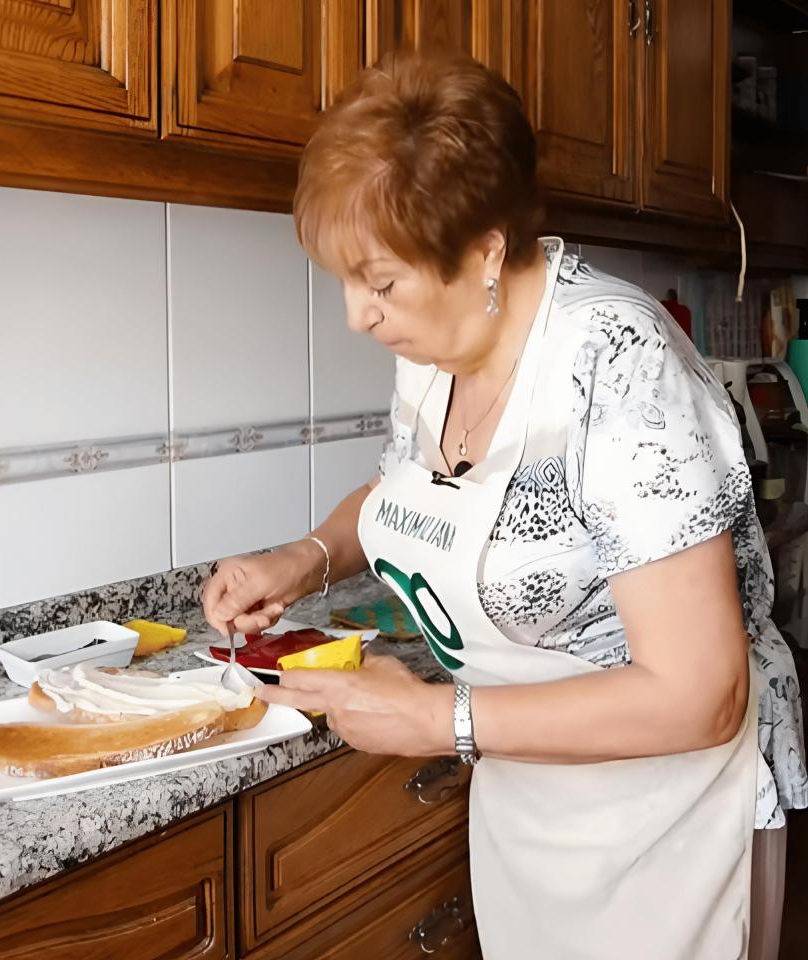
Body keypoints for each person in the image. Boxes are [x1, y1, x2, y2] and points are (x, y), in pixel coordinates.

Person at [202, 52, 806, 960]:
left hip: (664, 820)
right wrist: (308, 555)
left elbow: (702, 693)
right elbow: (416, 492)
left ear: (484, 248)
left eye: (381, 281)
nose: (355, 316)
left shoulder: (617, 363)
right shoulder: (439, 347)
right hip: (528, 800)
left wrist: (435, 719)